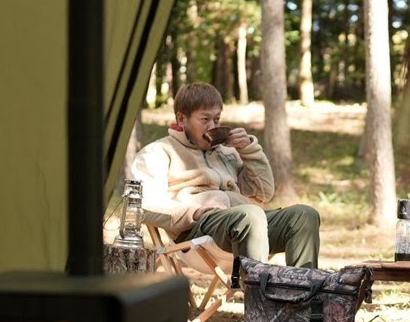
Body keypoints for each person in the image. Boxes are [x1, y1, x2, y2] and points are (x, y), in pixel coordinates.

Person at [130, 82, 321, 268]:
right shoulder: (158, 152)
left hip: (246, 226)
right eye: (205, 120)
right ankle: (259, 296)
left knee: (304, 215)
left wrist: (248, 150)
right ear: (181, 119)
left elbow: (263, 193)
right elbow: (143, 206)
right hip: (198, 233)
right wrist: (194, 211)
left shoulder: (226, 152)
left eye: (217, 119)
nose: (212, 126)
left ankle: (303, 293)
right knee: (250, 214)